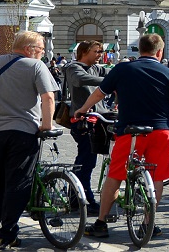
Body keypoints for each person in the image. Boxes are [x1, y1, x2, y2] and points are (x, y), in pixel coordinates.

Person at [75, 34, 169, 240]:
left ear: (139, 49)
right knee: (157, 176)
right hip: (161, 132)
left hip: (130, 131)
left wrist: (83, 109)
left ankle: (101, 223)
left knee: (115, 175)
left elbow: (99, 94)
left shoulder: (123, 69)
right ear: (159, 52)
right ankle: (147, 224)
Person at [0, 30, 57, 249]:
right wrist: (47, 125)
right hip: (22, 131)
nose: (42, 54)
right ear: (29, 49)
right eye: (41, 50)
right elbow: (48, 97)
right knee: (18, 181)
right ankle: (7, 234)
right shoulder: (35, 66)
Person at [65, 40, 109, 215]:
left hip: (99, 120)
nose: (100, 54)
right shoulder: (73, 68)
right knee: (86, 161)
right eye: (96, 51)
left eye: (101, 51)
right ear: (84, 51)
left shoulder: (97, 68)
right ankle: (84, 197)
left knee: (88, 161)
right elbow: (80, 80)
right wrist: (108, 81)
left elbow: (111, 71)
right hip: (82, 122)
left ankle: (76, 197)